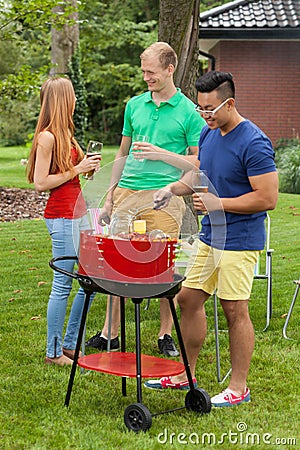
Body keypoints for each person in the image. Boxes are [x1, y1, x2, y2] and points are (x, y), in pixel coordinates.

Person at [144, 70, 278, 406]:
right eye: (201, 109)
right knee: (187, 300)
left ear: (229, 103)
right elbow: (200, 173)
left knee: (234, 310)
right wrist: (172, 189)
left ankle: (238, 388)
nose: (204, 115)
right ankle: (183, 374)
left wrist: (220, 203)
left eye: (209, 109)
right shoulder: (209, 133)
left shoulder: (254, 141)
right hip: (210, 236)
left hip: (241, 239)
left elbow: (268, 198)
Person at [86, 42, 205, 357]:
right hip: (127, 192)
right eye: (143, 71)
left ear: (169, 69)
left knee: (161, 265)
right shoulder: (134, 105)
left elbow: (198, 162)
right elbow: (122, 154)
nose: (146, 78)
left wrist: (162, 154)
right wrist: (111, 195)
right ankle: (111, 332)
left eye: (150, 72)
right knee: (117, 261)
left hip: (164, 196)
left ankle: (165, 333)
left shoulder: (190, 112)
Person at [27, 77, 101, 366]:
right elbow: (40, 183)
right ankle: (53, 352)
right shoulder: (48, 137)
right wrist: (77, 169)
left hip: (79, 213)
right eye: (71, 96)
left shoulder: (68, 135)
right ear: (62, 100)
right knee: (63, 284)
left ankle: (71, 344)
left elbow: (76, 172)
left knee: (91, 279)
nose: (75, 101)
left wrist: (88, 169)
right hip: (61, 217)